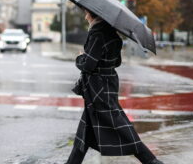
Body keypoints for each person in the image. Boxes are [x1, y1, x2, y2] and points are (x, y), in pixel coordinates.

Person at [66, 9, 164, 164]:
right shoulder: (113, 35)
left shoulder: (97, 34)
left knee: (120, 126)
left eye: (87, 14)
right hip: (107, 84)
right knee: (85, 130)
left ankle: (151, 160)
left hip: (98, 88)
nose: (85, 17)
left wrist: (79, 58)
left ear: (95, 16)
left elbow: (89, 65)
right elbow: (116, 62)